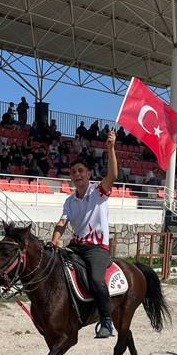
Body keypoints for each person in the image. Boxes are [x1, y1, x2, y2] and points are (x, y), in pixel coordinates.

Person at [51, 130, 118, 338]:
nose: (77, 175)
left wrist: (111, 148)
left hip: (97, 248)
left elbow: (113, 175)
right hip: (76, 245)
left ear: (88, 174)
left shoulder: (98, 192)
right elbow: (62, 223)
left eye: (81, 171)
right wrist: (55, 239)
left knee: (97, 280)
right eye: (73, 172)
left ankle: (106, 320)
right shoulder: (70, 201)